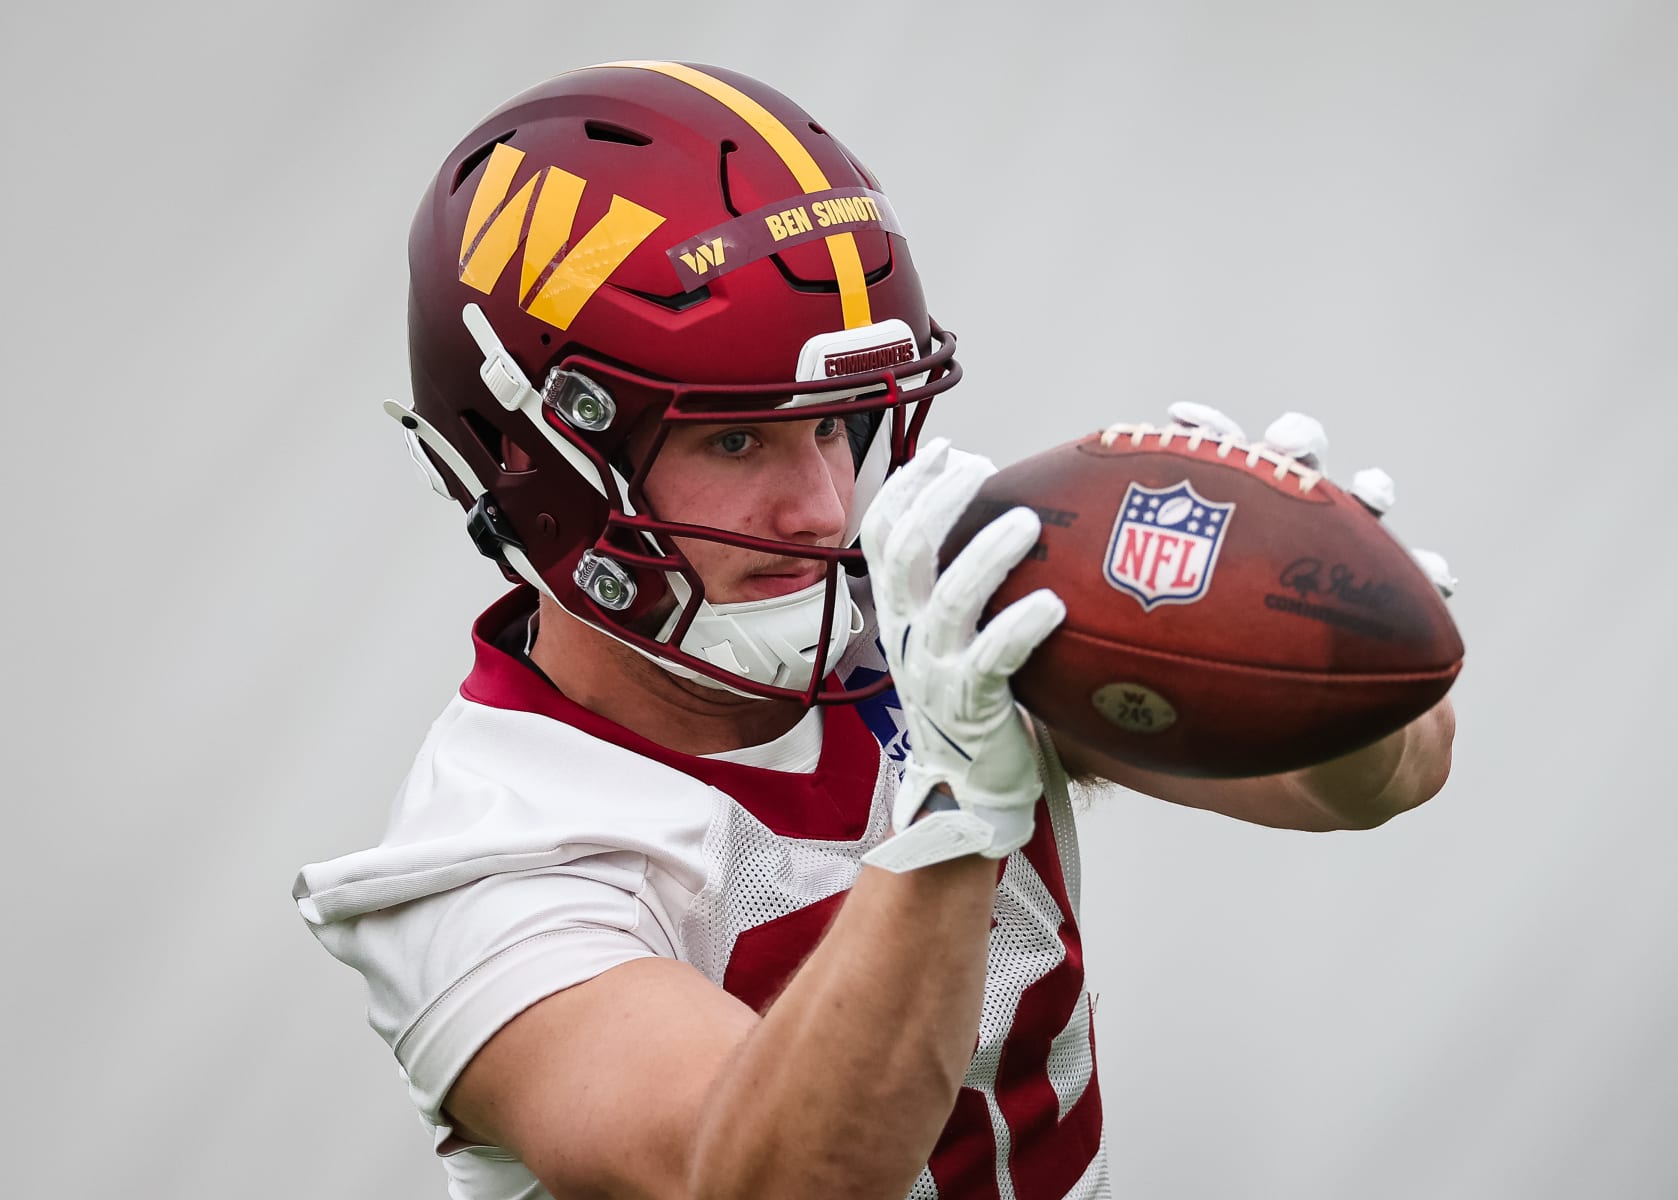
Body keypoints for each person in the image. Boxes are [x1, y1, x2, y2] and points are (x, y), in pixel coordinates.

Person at [294, 61, 1457, 1200]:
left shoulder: (925, 609)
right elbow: (760, 1181)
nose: (821, 506)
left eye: (844, 424)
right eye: (737, 441)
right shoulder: (487, 863)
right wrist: (952, 814)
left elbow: (1371, 784)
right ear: (538, 455)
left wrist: (1327, 638)